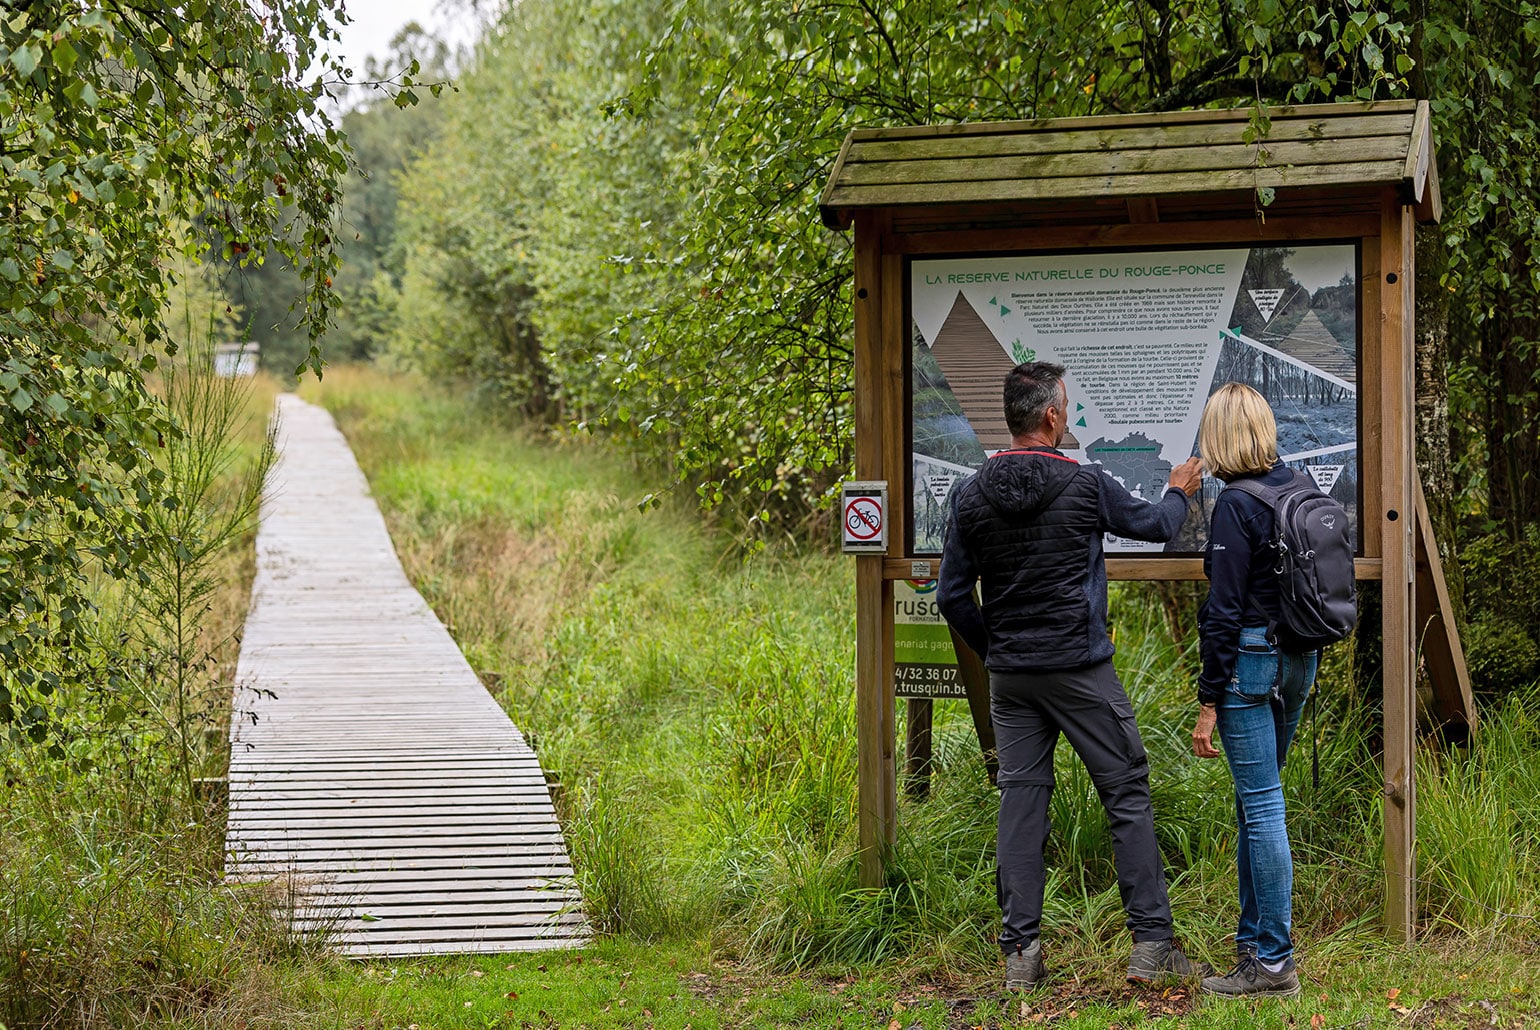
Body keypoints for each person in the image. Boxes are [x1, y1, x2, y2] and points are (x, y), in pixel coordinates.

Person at [938, 361, 1207, 992]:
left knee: (1021, 806)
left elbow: (953, 597)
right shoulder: (1083, 485)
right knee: (1127, 794)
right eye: (1069, 407)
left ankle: (1021, 959)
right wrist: (1178, 487)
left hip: (1013, 680)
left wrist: (997, 649)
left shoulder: (970, 493)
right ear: (1053, 416)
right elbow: (1158, 527)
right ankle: (1152, 947)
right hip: (1081, 671)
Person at [1189, 382, 1317, 999]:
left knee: (1262, 808)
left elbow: (1222, 610)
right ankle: (1252, 943)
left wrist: (1208, 700)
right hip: (1300, 659)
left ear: (1217, 437)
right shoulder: (1298, 486)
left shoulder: (1235, 506)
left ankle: (1273, 963)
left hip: (1250, 663)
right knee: (1256, 804)